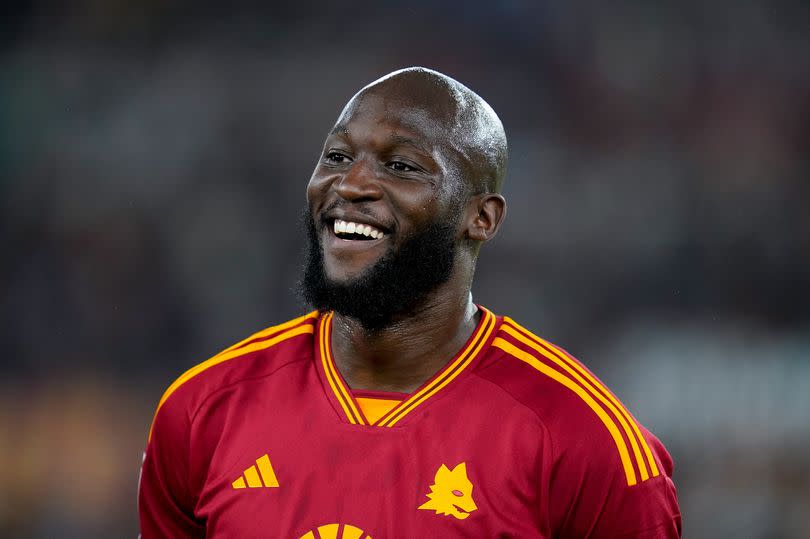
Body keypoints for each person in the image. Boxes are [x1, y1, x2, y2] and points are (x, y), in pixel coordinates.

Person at [138, 67, 681, 538]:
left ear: (482, 218)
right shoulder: (201, 412)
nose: (350, 184)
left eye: (402, 166)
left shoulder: (583, 441)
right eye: (337, 155)